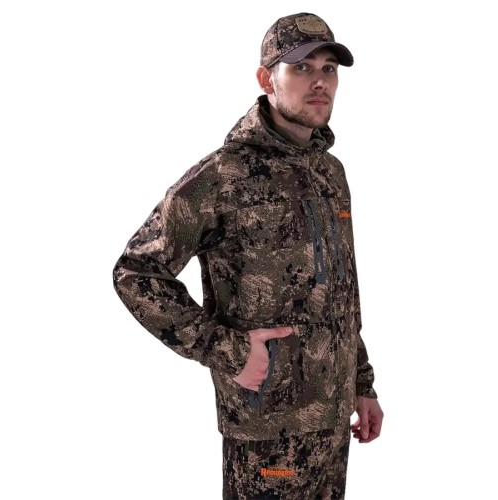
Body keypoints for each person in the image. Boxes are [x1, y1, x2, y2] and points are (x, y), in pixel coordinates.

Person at [113, 12, 383, 499]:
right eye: (301, 68)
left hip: (332, 421)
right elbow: (136, 271)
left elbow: (343, 288)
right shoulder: (225, 175)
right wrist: (228, 351)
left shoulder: (330, 173)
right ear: (266, 79)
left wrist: (362, 383)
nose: (319, 81)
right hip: (266, 430)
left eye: (329, 68)